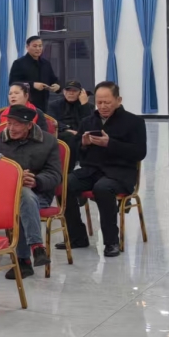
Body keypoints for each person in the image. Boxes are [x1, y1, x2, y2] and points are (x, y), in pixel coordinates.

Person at [61, 82, 147, 257]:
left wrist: (110, 144)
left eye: (107, 102)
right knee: (65, 184)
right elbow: (77, 153)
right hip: (91, 170)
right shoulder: (88, 121)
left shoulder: (134, 122)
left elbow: (140, 152)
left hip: (119, 173)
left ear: (118, 100)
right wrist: (83, 144)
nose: (102, 106)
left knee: (102, 188)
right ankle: (77, 236)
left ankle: (111, 241)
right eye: (99, 102)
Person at [0, 105, 61, 278]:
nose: (11, 128)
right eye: (9, 124)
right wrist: (13, 178)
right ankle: (36, 247)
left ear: (29, 125)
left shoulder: (48, 141)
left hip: (39, 194)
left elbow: (55, 174)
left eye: (17, 124)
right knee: (21, 195)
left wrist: (36, 181)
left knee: (24, 197)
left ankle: (23, 260)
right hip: (4, 195)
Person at [8, 36, 61, 113]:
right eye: (35, 46)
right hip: (26, 104)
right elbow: (13, 83)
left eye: (40, 46)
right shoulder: (19, 63)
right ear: (27, 47)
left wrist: (57, 85)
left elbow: (53, 79)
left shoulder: (46, 63)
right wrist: (32, 85)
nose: (38, 48)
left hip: (44, 104)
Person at [49, 80, 91, 171]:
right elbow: (52, 121)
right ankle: (70, 168)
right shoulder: (54, 105)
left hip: (81, 134)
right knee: (69, 136)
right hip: (62, 133)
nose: (71, 93)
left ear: (80, 92)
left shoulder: (88, 106)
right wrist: (67, 129)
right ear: (64, 91)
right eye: (68, 90)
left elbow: (89, 123)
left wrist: (84, 105)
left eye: (74, 91)